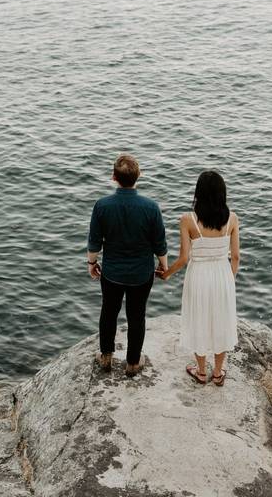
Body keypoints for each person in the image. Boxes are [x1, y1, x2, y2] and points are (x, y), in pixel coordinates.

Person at [87, 153, 168, 377]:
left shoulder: (102, 205)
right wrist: (164, 267)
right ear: (138, 176)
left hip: (112, 272)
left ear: (114, 177)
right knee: (137, 315)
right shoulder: (151, 207)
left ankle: (106, 357)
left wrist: (91, 263)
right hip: (141, 274)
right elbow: (159, 244)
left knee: (108, 312)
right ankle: (133, 363)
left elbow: (94, 242)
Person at [159, 170, 240, 386]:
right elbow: (237, 256)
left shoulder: (188, 220)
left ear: (198, 193)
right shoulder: (232, 218)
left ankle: (202, 371)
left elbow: (184, 258)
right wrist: (228, 279)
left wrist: (166, 274)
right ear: (222, 193)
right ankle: (218, 372)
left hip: (199, 275)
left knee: (199, 318)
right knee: (221, 319)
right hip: (223, 275)